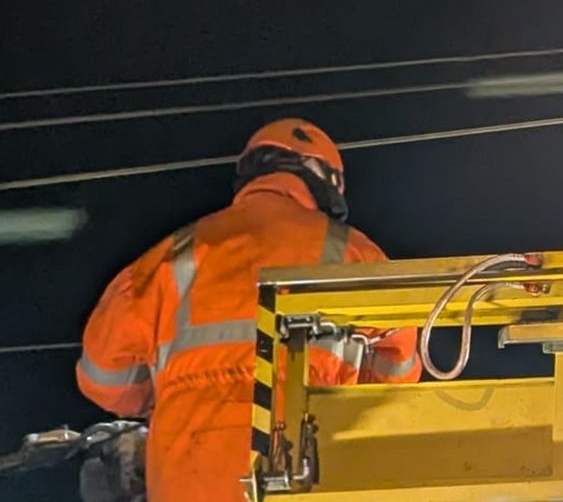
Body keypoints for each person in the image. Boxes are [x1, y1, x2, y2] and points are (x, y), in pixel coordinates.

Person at [75, 118, 421, 501]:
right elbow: (399, 373)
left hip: (187, 477)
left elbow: (102, 379)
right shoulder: (353, 254)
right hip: (308, 473)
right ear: (322, 178)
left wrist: (169, 393)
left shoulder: (173, 256)